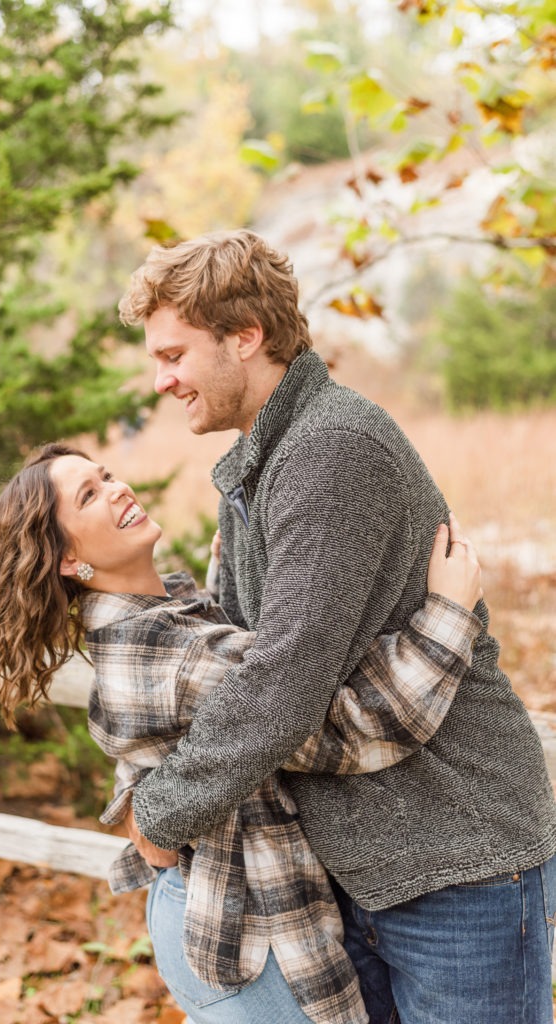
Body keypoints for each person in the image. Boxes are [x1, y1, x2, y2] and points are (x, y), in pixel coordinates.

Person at [118, 229, 556, 1024]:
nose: (162, 380)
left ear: (244, 337)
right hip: (362, 864)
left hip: (452, 855)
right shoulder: (266, 457)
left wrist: (162, 810)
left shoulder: (331, 449)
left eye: (174, 355)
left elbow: (281, 683)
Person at [0, 442, 484, 1024]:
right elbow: (355, 727)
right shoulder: (163, 655)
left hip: (206, 909)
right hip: (249, 932)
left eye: (106, 474)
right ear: (69, 560)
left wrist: (231, 577)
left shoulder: (158, 616)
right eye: (89, 496)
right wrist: (447, 613)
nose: (117, 488)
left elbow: (214, 690)